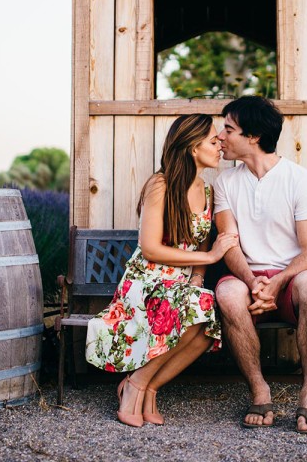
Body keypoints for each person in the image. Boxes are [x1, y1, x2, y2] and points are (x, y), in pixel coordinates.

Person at [85, 114, 238, 427]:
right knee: (194, 308)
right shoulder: (161, 184)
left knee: (206, 328)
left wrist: (197, 278)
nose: (219, 146)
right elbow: (151, 248)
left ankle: (149, 386)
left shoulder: (208, 192)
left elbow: (199, 244)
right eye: (212, 141)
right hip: (146, 281)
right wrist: (210, 258)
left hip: (179, 284)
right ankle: (134, 387)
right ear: (193, 148)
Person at [213, 96, 307, 434]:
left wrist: (278, 282)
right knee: (229, 294)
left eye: (229, 129)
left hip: (290, 280)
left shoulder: (301, 180)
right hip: (247, 279)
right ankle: (259, 390)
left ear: (253, 136)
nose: (222, 136)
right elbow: (229, 242)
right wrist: (253, 282)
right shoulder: (225, 183)